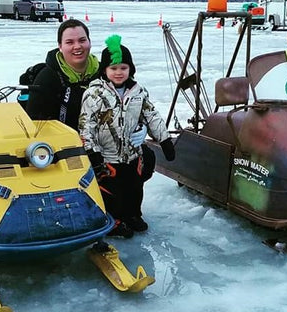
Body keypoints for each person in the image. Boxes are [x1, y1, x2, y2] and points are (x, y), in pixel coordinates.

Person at [79, 35, 175, 238]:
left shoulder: (139, 92)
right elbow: (87, 126)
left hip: (132, 154)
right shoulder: (94, 94)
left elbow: (151, 115)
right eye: (113, 68)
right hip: (107, 156)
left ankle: (133, 215)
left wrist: (164, 139)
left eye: (123, 68)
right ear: (105, 70)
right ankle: (112, 220)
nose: (119, 72)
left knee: (134, 187)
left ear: (130, 69)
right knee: (113, 191)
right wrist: (92, 153)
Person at [26, 19, 99, 130]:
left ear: (89, 42)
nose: (77, 46)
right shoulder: (47, 77)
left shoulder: (104, 72)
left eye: (82, 40)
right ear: (60, 46)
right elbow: (35, 124)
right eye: (69, 42)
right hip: (63, 142)